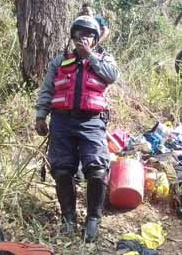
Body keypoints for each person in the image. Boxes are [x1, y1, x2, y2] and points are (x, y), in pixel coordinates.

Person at [34, 16, 120, 242]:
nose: (84, 38)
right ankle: (68, 219)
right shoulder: (59, 62)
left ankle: (93, 219)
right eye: (79, 33)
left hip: (92, 121)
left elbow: (112, 76)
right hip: (61, 121)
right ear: (72, 36)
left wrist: (89, 56)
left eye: (89, 34)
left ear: (95, 38)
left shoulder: (103, 59)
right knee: (62, 169)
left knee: (97, 169)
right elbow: (47, 89)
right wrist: (41, 116)